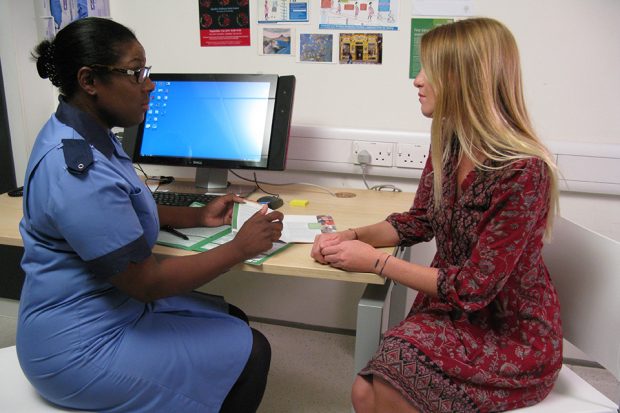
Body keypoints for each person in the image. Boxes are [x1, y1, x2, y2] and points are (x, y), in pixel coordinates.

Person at [17, 17, 283, 413]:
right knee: (254, 351)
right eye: (135, 72)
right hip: (77, 347)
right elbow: (147, 283)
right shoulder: (74, 169)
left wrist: (198, 216)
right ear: (89, 81)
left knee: (233, 317)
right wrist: (239, 249)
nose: (150, 84)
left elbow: (120, 204)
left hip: (112, 306)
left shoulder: (91, 133)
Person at [312, 17, 562, 413]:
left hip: (507, 333)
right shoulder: (449, 144)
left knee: (393, 388)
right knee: (364, 392)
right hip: (448, 313)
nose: (417, 80)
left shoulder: (524, 171)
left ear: (466, 79)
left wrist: (376, 262)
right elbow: (419, 221)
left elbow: (475, 289)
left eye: (429, 69)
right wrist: (351, 237)